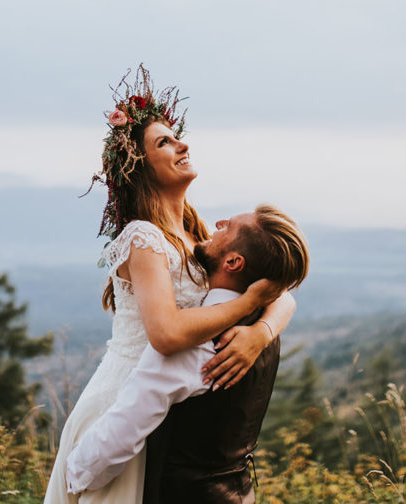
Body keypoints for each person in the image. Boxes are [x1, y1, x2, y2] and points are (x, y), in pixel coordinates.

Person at [43, 68, 296, 504]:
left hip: (165, 413)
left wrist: (260, 333)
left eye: (177, 136)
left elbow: (282, 291)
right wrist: (247, 306)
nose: (182, 144)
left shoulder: (196, 235)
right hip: (123, 409)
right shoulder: (143, 238)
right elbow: (166, 335)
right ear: (141, 166)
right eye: (164, 142)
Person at [64, 206, 309, 504]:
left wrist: (73, 473)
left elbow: (124, 429)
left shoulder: (198, 343)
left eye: (227, 226)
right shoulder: (262, 327)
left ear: (233, 261)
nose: (215, 224)